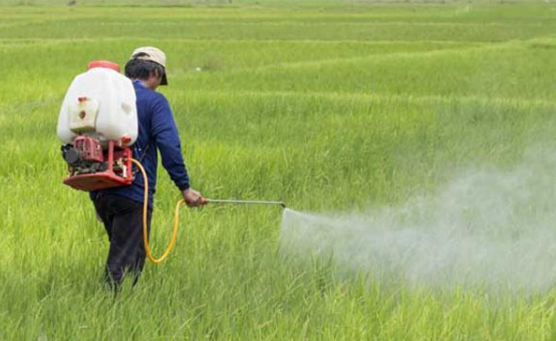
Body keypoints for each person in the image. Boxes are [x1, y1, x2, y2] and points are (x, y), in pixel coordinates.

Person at [91, 46, 203, 289]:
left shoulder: (107, 98)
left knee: (127, 252)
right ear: (154, 72)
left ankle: (121, 305)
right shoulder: (155, 101)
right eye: (160, 79)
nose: (158, 83)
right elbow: (169, 145)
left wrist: (96, 192)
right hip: (132, 190)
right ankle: (109, 311)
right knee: (124, 263)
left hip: (99, 188)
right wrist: (184, 187)